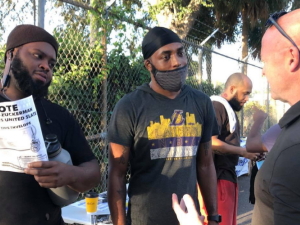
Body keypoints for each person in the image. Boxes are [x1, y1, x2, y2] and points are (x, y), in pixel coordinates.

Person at [107, 27, 220, 225]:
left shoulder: (201, 103)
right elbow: (117, 174)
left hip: (190, 219)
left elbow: (206, 163)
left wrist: (213, 217)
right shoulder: (129, 107)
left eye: (180, 52)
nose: (177, 61)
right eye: (166, 56)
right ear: (148, 65)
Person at [0, 24, 100, 225]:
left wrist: (70, 174)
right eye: (38, 56)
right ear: (11, 54)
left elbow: (93, 170)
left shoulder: (57, 115)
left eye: (52, 63)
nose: (46, 66)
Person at [252, 9, 300, 225]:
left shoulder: (293, 149)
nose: (263, 71)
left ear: (292, 58)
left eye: (265, 60)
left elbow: (253, 146)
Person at [209, 73, 258, 225]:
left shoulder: (226, 108)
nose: (247, 98)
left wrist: (249, 151)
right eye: (245, 93)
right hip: (217, 180)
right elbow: (210, 142)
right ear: (231, 89)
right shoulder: (217, 106)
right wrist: (242, 152)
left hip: (227, 178)